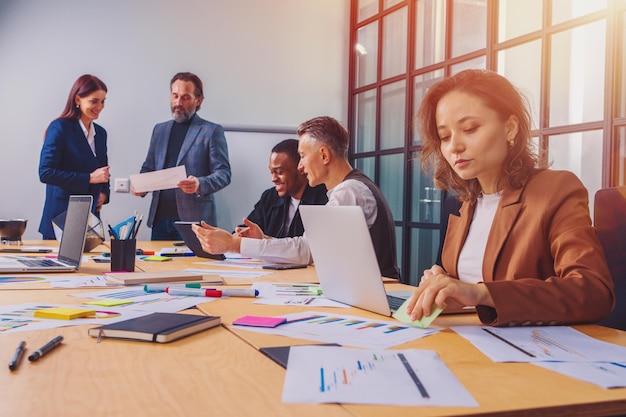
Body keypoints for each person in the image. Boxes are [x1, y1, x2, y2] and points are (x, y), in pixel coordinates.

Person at [406, 69, 614, 327]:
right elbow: (465, 288)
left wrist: (480, 293)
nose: (454, 146)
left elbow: (593, 292)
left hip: (534, 352)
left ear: (510, 128)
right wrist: (442, 284)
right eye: (445, 137)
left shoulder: (556, 189)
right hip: (469, 339)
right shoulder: (465, 204)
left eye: (469, 129)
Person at [193, 116, 401, 279]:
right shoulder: (350, 188)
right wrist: (265, 240)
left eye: (302, 156)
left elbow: (307, 250)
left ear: (324, 155)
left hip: (378, 297)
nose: (300, 166)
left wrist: (233, 244)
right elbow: (312, 248)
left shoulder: (349, 191)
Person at [133, 72, 231, 240]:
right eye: (175, 96)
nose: (178, 103)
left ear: (198, 100)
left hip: (194, 222)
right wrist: (140, 186)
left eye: (185, 97)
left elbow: (224, 174)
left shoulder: (211, 131)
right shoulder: (159, 130)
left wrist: (199, 183)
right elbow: (148, 167)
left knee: (192, 265)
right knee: (159, 267)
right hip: (159, 220)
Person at [39, 74, 110, 240]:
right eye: (94, 101)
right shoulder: (60, 127)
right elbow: (46, 172)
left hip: (89, 218)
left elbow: (103, 172)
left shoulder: (100, 133)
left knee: (94, 265)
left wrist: (104, 194)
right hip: (61, 217)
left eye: (103, 101)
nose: (99, 106)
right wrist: (89, 178)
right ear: (78, 99)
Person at [239, 138, 327, 238]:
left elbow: (307, 247)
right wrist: (240, 234)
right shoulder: (270, 197)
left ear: (301, 168)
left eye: (280, 172)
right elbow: (249, 227)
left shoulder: (323, 201)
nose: (273, 179)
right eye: (272, 172)